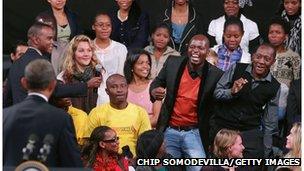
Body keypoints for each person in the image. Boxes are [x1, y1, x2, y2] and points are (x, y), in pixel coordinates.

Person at [150, 35, 223, 171]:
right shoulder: (173, 63)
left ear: (207, 52)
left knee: (199, 169)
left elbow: (217, 108)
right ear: (187, 48)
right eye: (192, 47)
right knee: (164, 168)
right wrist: (154, 91)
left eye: (200, 48)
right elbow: (157, 82)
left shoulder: (216, 74)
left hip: (194, 132)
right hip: (170, 129)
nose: (195, 51)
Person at [3, 59, 82, 167]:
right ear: (53, 85)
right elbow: (73, 165)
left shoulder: (4, 116)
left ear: (24, 83)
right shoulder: (62, 119)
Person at [3, 22, 99, 108]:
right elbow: (55, 89)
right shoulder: (41, 62)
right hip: (37, 119)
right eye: (49, 38)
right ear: (36, 40)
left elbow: (7, 98)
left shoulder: (16, 64)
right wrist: (86, 85)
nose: (52, 42)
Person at [211, 43, 281, 159]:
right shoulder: (237, 68)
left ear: (273, 61)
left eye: (267, 59)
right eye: (258, 57)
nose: (261, 61)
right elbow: (217, 93)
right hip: (223, 129)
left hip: (249, 134)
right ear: (252, 56)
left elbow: (270, 123)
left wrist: (266, 151)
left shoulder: (274, 86)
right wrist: (231, 92)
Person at [85, 74, 151, 156]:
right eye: (114, 87)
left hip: (133, 162)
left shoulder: (140, 112)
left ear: (127, 88)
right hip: (106, 163)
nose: (119, 90)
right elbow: (89, 142)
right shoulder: (96, 113)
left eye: (123, 86)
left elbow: (146, 142)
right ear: (107, 91)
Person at [36, 0, 82, 75]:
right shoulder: (43, 18)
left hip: (71, 55)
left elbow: (79, 37)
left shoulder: (73, 16)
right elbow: (39, 41)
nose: (59, 0)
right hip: (51, 56)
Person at [57, 35, 101, 114]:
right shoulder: (63, 76)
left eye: (89, 50)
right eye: (81, 51)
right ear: (73, 53)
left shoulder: (100, 74)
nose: (86, 54)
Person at [92, 12, 128, 105]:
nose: (105, 28)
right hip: (91, 92)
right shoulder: (88, 47)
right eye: (100, 25)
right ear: (93, 27)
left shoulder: (120, 48)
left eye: (108, 25)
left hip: (114, 93)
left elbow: (122, 74)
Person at [124, 49, 162, 128]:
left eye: (148, 63)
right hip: (127, 130)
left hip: (149, 132)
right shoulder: (124, 87)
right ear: (131, 66)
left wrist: (138, 128)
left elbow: (157, 118)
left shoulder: (154, 86)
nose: (146, 66)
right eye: (141, 63)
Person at [268, 18, 300, 87]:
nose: (274, 35)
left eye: (278, 32)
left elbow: (297, 83)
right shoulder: (262, 54)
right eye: (271, 32)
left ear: (285, 36)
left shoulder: (294, 57)